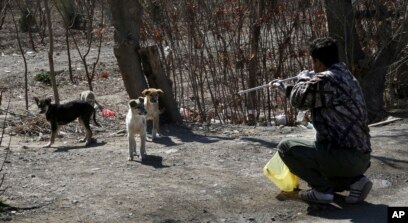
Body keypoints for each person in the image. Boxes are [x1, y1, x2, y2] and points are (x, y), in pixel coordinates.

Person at [272, 37, 372, 204]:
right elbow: (309, 97)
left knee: (286, 147)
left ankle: (321, 191)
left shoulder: (326, 79)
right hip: (360, 157)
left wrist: (302, 78)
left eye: (313, 61)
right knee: (318, 156)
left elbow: (300, 100)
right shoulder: (345, 75)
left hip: (345, 157)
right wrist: (287, 89)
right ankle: (355, 182)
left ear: (317, 62)